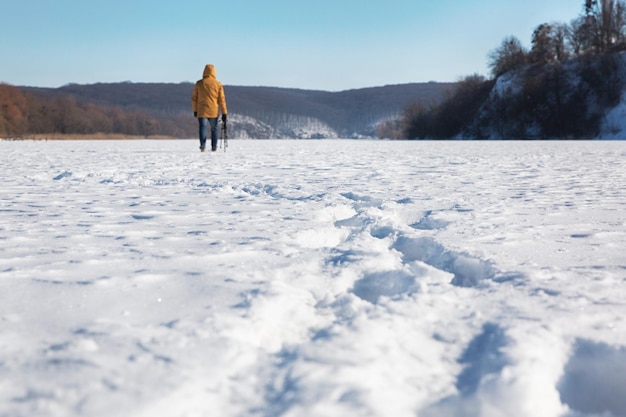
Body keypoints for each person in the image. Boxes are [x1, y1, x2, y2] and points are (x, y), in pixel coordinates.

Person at [192, 64, 228, 152]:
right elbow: (221, 99)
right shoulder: (218, 84)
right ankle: (214, 147)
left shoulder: (199, 83)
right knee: (214, 129)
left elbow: (194, 98)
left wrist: (195, 110)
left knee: (202, 128)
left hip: (202, 110)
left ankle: (202, 146)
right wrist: (224, 112)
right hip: (213, 111)